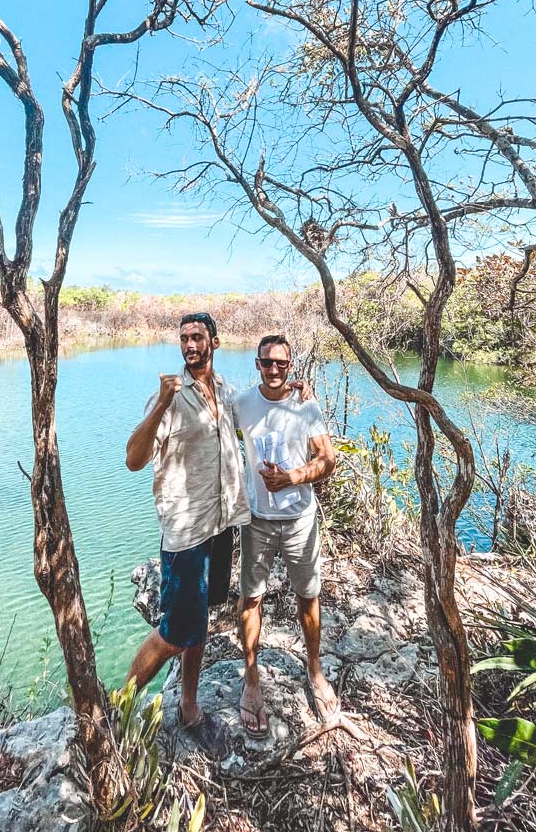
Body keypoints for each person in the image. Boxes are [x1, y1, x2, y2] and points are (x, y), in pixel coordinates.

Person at [124, 311, 250, 753]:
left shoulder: (226, 393)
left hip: (221, 526)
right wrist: (160, 402)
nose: (190, 345)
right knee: (174, 631)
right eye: (184, 339)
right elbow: (134, 459)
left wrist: (293, 394)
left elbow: (260, 410)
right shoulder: (170, 398)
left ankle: (190, 708)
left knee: (201, 623)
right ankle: (119, 710)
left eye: (198, 337)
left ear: (215, 341)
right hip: (185, 534)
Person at [234, 334, 337, 736]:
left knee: (308, 596)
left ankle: (315, 672)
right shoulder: (242, 404)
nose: (273, 370)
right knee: (251, 597)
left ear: (290, 366)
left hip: (299, 520)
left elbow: (327, 458)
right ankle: (251, 678)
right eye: (266, 363)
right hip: (257, 520)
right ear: (257, 364)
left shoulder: (304, 404)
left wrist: (294, 477)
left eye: (281, 364)